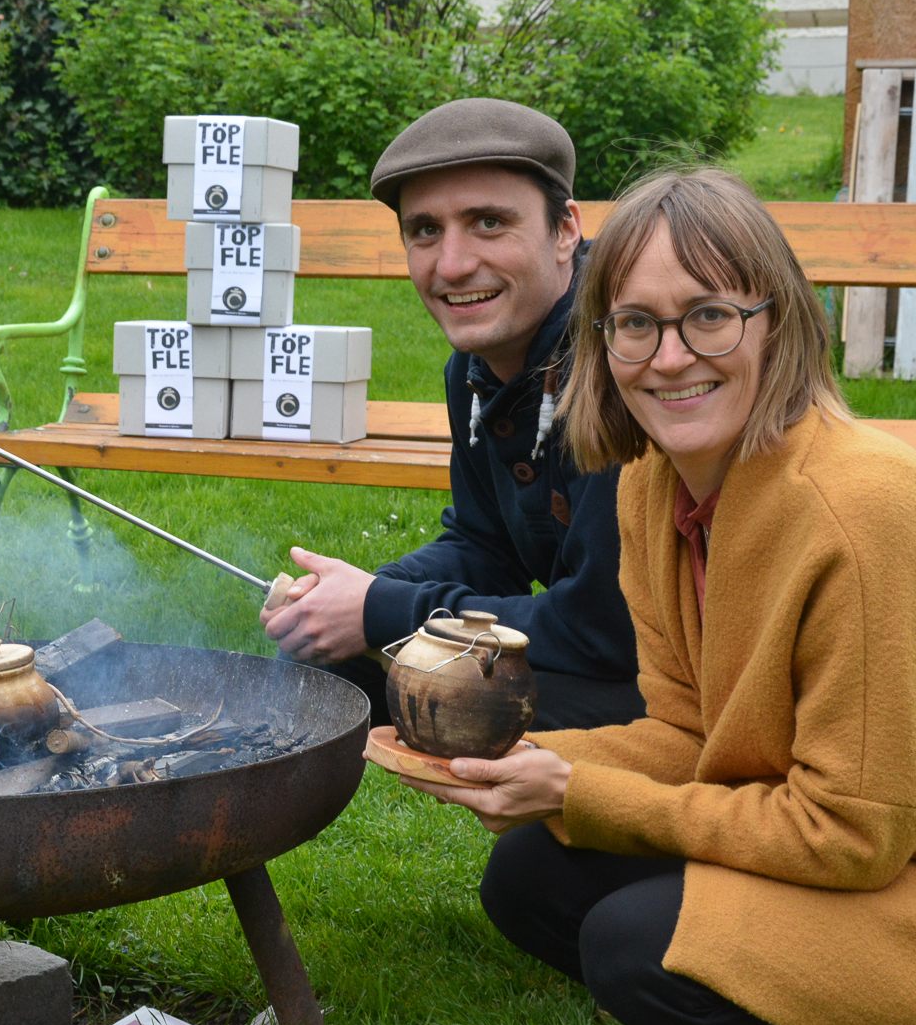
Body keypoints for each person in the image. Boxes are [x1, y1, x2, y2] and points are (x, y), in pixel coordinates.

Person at [406, 166, 916, 1025]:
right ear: (596, 346)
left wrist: (581, 789)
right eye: (635, 324)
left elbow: (852, 831)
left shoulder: (859, 513)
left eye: (707, 317)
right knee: (533, 876)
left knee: (633, 942)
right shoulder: (655, 488)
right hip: (886, 861)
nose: (668, 358)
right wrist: (520, 759)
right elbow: (688, 734)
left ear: (776, 324)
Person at [260, 98, 643, 730]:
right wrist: (358, 593)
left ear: (566, 229)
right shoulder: (476, 366)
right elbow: (487, 545)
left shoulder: (627, 358)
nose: (453, 264)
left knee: (446, 681)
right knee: (330, 664)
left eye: (489, 222)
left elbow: (604, 628)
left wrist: (385, 609)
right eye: (425, 231)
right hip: (609, 648)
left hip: (698, 689)